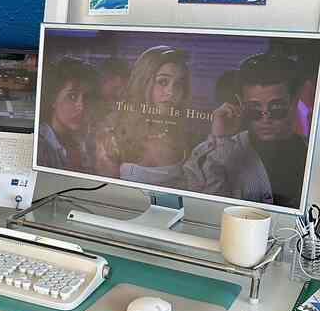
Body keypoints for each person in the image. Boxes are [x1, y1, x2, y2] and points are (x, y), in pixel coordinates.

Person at [185, 53, 307, 207]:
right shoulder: (206, 155)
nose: (265, 119)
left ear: (295, 101)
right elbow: (203, 210)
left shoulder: (311, 152)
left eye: (276, 107)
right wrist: (221, 139)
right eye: (254, 108)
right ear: (241, 103)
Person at [94, 47, 191, 188]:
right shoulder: (112, 133)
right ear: (144, 83)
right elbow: (105, 192)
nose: (171, 92)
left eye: (179, 84)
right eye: (163, 82)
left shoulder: (183, 134)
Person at [36, 57, 98, 172]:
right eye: (72, 96)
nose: (81, 106)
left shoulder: (86, 144)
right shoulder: (39, 146)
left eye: (86, 98)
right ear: (53, 99)